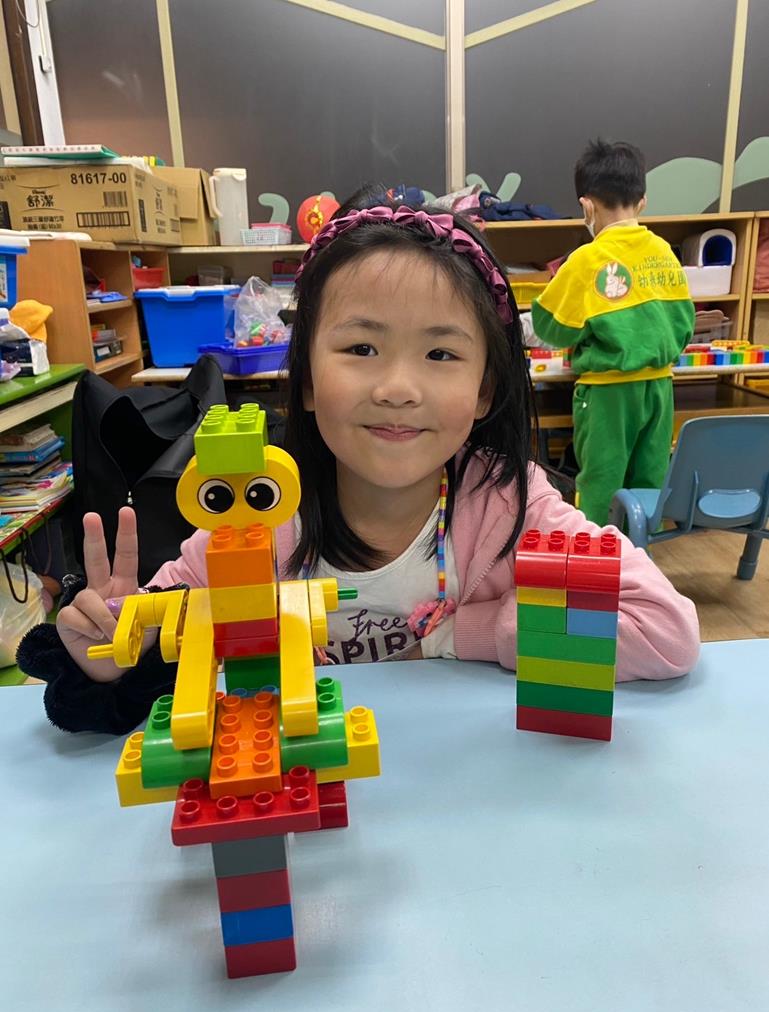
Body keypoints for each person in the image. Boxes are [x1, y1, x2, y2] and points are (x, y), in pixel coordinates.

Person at [17, 195, 700, 734]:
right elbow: (160, 665)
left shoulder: (509, 504)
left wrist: (459, 633)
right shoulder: (256, 519)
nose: (397, 388)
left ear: (485, 389)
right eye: (361, 349)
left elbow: (664, 632)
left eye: (441, 354)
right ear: (308, 379)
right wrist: (110, 662)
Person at [530, 139, 695, 525]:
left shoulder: (587, 259)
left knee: (601, 483)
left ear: (587, 206)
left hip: (607, 393)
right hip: (659, 388)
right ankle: (642, 552)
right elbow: (684, 322)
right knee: (650, 481)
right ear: (642, 202)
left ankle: (596, 553)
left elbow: (551, 326)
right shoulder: (664, 252)